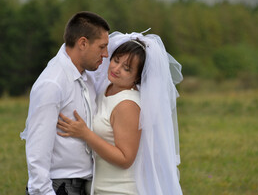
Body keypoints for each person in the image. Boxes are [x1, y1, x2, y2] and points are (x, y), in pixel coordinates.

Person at [57, 31, 183, 195]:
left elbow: (125, 159)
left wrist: (85, 134)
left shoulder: (128, 105)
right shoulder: (107, 89)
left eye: (127, 68)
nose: (116, 69)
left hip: (119, 190)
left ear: (138, 77)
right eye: (116, 60)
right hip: (98, 187)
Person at [20, 11, 110, 195]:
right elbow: (37, 149)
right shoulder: (52, 83)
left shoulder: (88, 77)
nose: (106, 54)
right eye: (102, 47)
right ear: (83, 43)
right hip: (58, 186)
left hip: (84, 184)